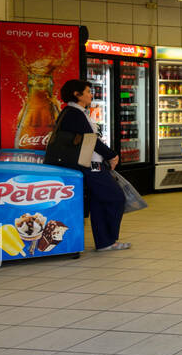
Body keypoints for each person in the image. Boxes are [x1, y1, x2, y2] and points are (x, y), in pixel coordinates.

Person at [55, 78, 128, 251]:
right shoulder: (74, 113)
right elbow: (91, 139)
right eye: (87, 91)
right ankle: (109, 239)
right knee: (116, 197)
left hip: (92, 163)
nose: (91, 94)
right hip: (89, 165)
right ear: (77, 94)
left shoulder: (78, 112)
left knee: (99, 201)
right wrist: (112, 155)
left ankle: (105, 242)